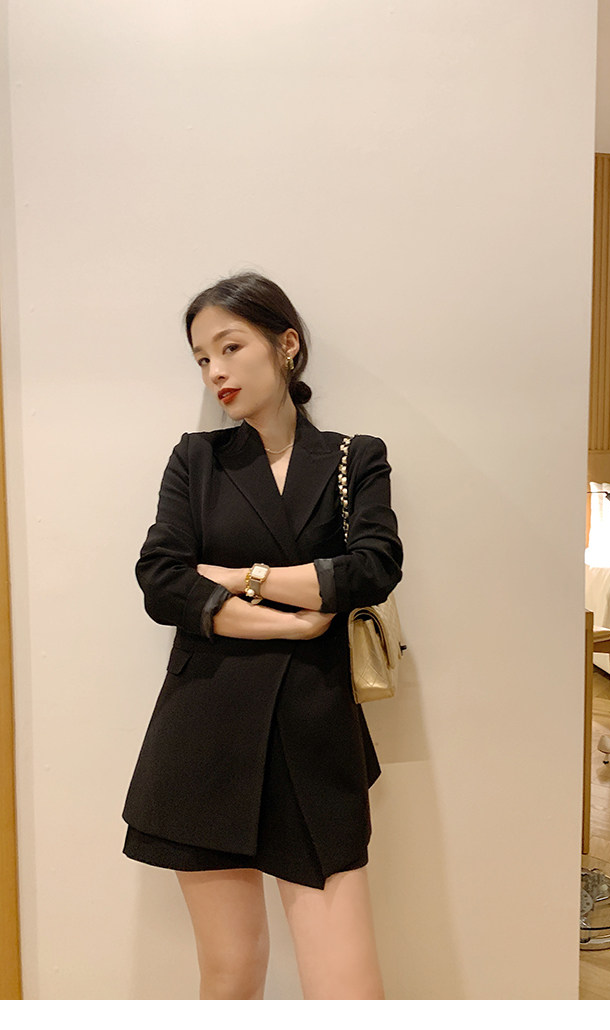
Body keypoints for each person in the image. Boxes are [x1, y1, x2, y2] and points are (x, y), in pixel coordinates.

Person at [122, 272, 403, 1000]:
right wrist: (296, 614)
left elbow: (373, 567)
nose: (214, 371)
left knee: (347, 986)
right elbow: (162, 580)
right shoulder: (197, 458)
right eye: (200, 358)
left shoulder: (353, 456)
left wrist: (238, 577)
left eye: (230, 347)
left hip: (315, 730)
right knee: (230, 974)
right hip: (203, 731)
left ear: (287, 345)